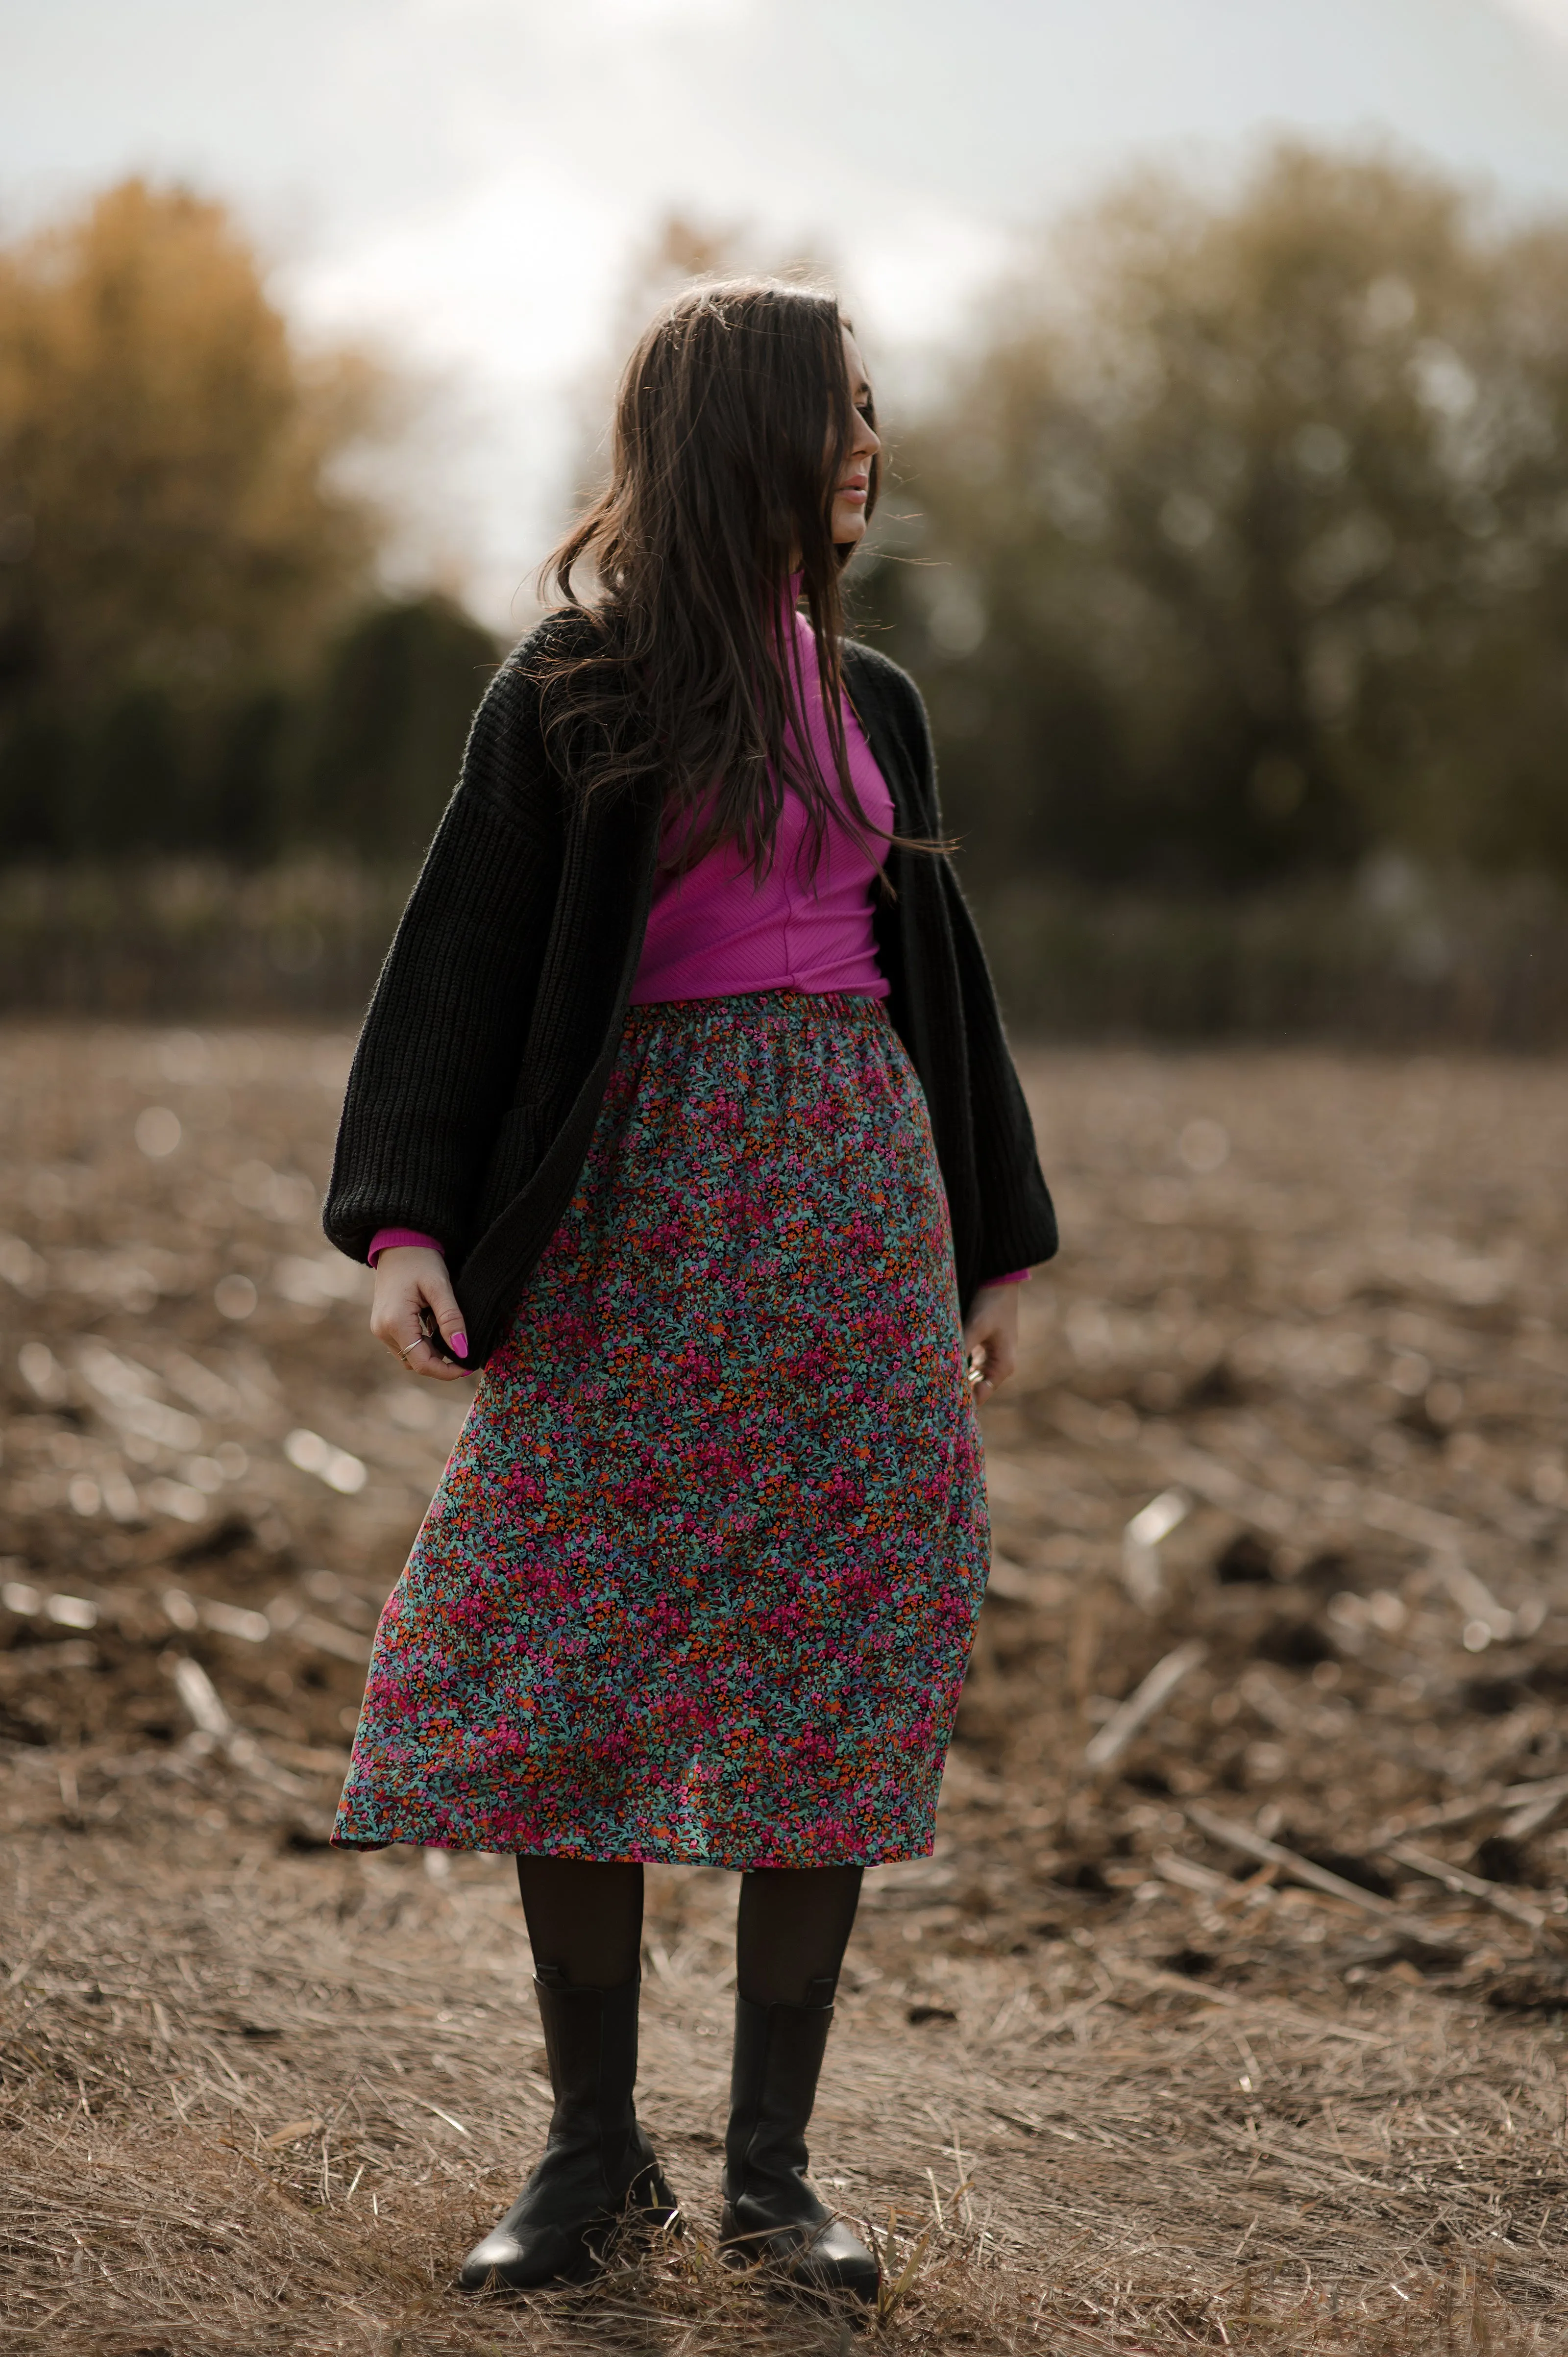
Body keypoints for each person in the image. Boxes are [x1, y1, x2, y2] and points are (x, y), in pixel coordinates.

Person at [322, 278, 1057, 2303]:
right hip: (624, 1215)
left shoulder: (873, 696)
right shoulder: (575, 686)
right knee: (565, 1638)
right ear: (739, 432)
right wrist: (403, 1221)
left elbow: (947, 990)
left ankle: (771, 2172)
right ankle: (585, 2156)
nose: (864, 444)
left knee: (828, 1644)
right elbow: (459, 960)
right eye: (834, 409)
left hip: (844, 1209)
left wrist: (990, 1240)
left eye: (871, 410)